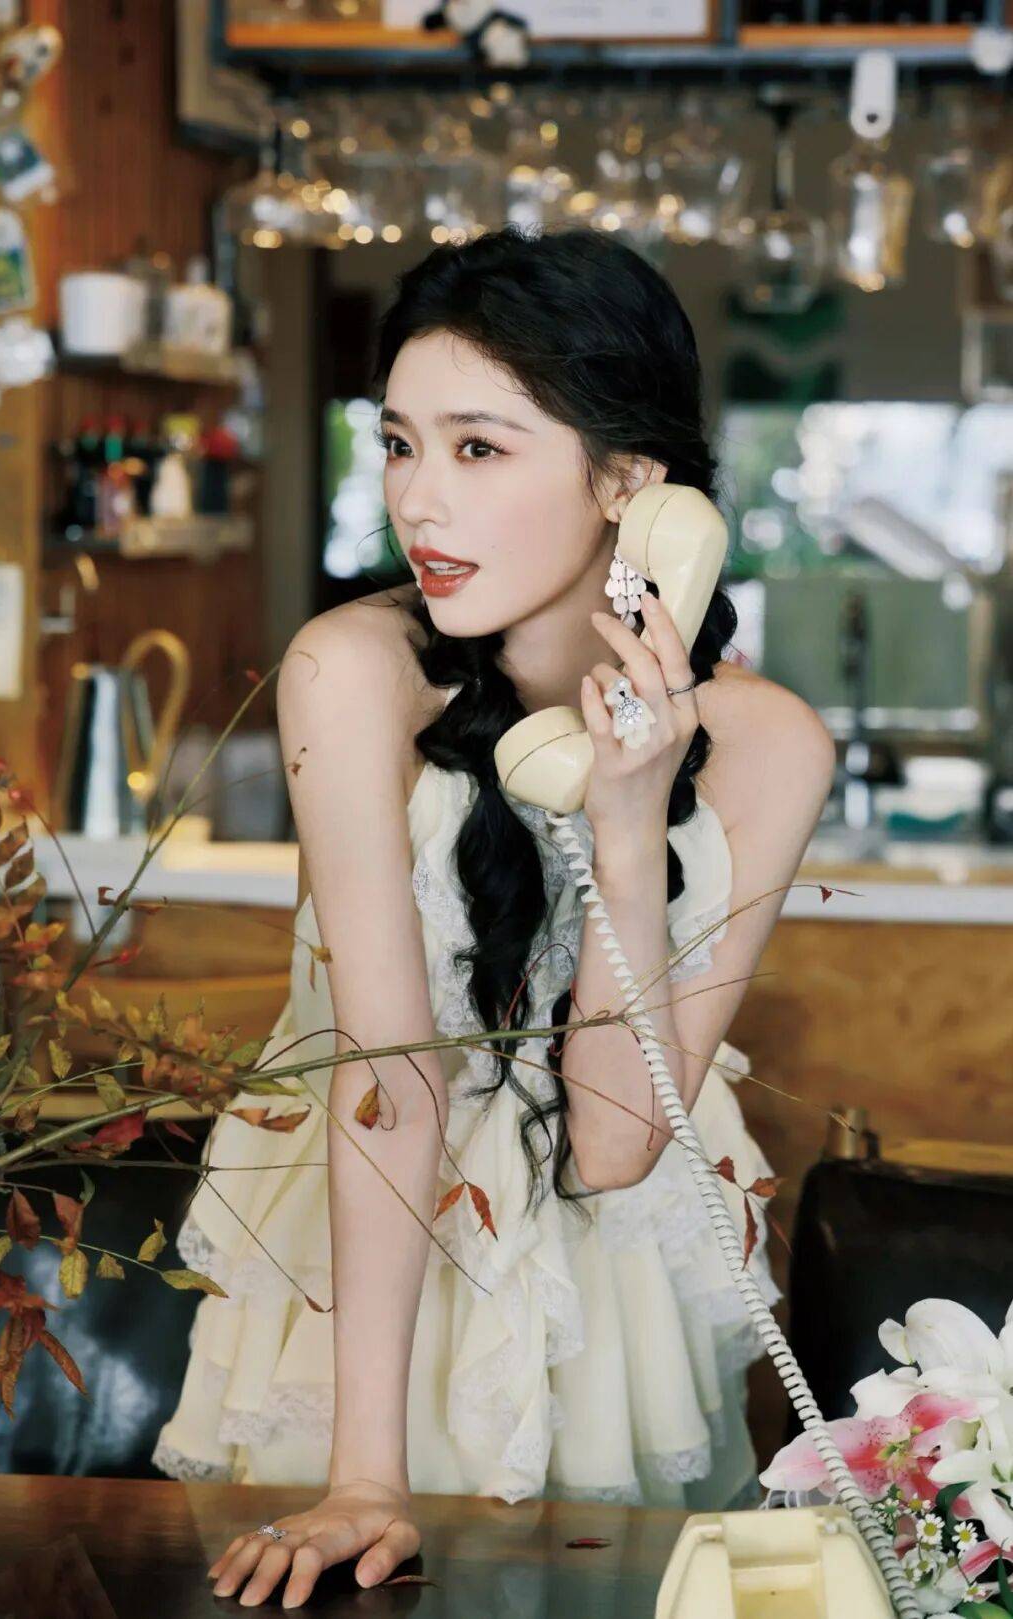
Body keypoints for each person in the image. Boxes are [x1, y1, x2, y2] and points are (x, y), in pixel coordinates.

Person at [153, 225, 836, 1610]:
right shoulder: (352, 672)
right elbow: (390, 1081)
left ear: (631, 483)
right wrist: (366, 1478)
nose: (419, 499)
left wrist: (628, 825)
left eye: (478, 448)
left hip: (609, 1291)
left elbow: (614, 1144)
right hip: (366, 1267)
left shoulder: (769, 747)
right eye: (399, 444)